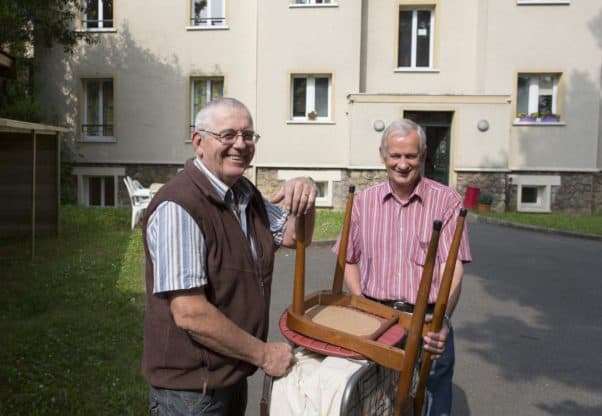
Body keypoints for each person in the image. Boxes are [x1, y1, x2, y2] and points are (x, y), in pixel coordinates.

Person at [141, 97, 317, 415]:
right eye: (228, 135)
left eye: (248, 136)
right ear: (199, 142)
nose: (240, 144)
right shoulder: (179, 206)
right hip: (191, 393)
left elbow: (294, 235)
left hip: (231, 376)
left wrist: (305, 193)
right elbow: (189, 313)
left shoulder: (243, 195)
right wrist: (263, 355)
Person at [333, 118, 472, 416]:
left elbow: (453, 266)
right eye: (395, 156)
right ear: (383, 156)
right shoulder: (363, 202)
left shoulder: (447, 201)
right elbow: (347, 256)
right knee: (376, 401)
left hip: (427, 322)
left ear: (422, 156)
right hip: (378, 320)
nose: (403, 164)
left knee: (430, 403)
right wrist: (360, 301)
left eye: (410, 156)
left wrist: (442, 321)